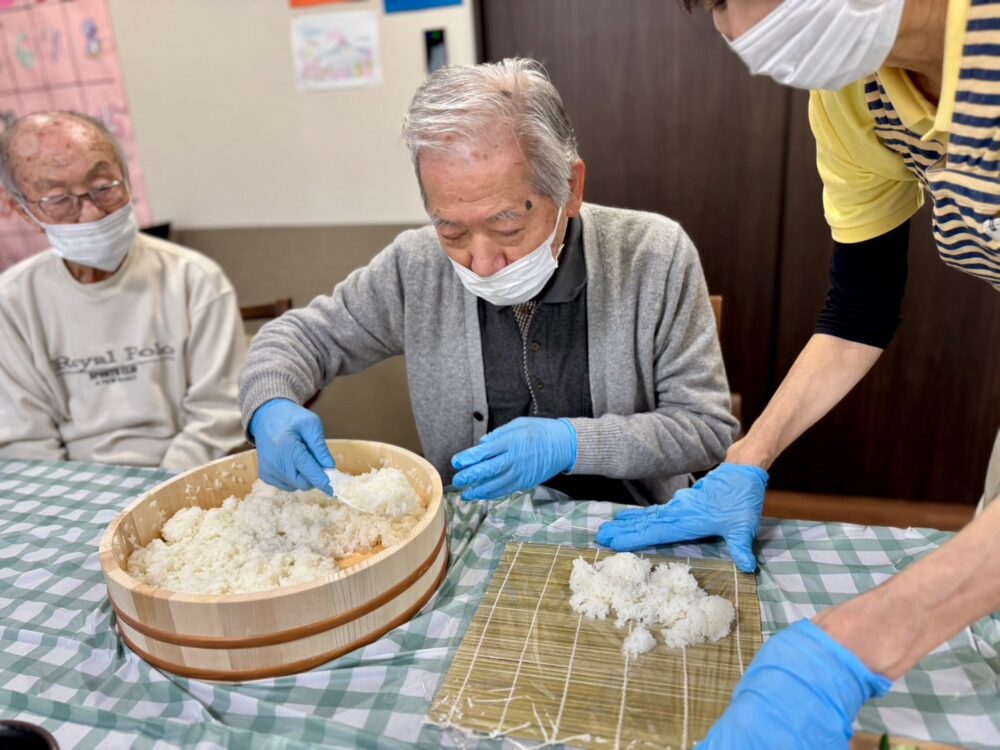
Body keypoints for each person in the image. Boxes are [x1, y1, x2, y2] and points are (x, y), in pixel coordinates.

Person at [596, 0, 1000, 746]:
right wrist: (747, 460)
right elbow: (860, 308)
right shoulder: (855, 94)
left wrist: (851, 648)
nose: (727, 28)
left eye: (730, 0)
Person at [239, 58, 737, 504]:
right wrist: (271, 403)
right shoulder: (415, 265)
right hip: (478, 530)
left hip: (631, 525)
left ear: (571, 188)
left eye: (507, 225)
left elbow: (705, 427)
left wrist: (571, 443)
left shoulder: (654, 255)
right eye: (451, 229)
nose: (480, 262)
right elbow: (300, 337)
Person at [0, 111, 246, 469]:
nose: (90, 213)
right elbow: (25, 441)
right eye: (58, 199)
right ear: (23, 212)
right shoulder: (11, 303)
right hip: (73, 486)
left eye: (103, 188)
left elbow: (219, 414)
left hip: (185, 478)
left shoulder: (195, 279)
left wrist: (160, 492)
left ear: (127, 181)